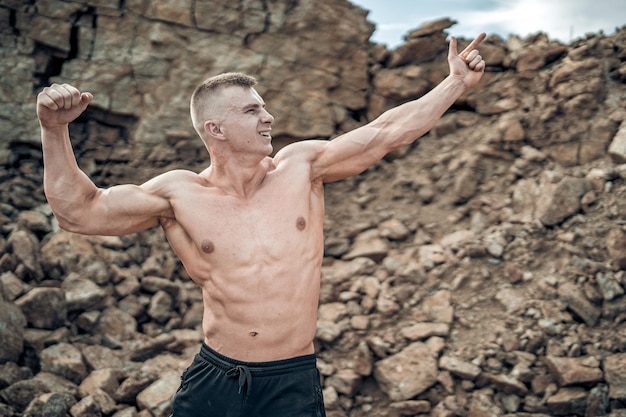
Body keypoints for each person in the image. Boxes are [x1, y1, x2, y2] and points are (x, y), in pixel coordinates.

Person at [37, 33, 487, 416]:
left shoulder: (302, 166)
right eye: (252, 111)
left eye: (264, 107)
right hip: (217, 377)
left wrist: (454, 84)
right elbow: (78, 212)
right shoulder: (179, 194)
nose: (268, 117)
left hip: (291, 380)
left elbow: (389, 130)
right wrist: (54, 130)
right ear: (215, 128)